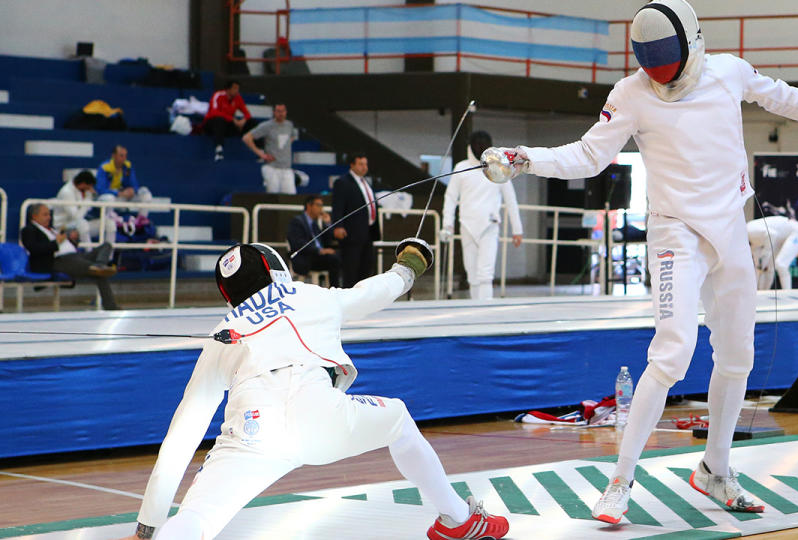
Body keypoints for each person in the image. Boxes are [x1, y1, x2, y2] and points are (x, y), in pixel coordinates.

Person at [481, 0, 798, 522]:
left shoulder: (728, 71)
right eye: (649, 70)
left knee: (737, 355)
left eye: (665, 69)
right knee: (672, 352)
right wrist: (525, 159)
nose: (658, 80)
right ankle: (619, 481)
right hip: (675, 233)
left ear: (692, 45)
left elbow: (780, 96)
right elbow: (589, 154)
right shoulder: (629, 94)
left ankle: (715, 470)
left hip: (729, 230)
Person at [118, 242, 508, 540]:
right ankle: (457, 520)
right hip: (319, 418)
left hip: (250, 435)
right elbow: (374, 292)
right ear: (276, 270)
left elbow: (184, 430)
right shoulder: (308, 294)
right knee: (398, 417)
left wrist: (147, 526)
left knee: (195, 520)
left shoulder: (224, 331)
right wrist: (409, 265)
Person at [441, 131, 523, 300]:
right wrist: (447, 224)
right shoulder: (461, 168)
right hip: (466, 225)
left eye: (483, 145)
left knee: (485, 274)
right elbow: (450, 197)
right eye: (477, 145)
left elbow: (511, 200)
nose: (480, 148)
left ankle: (485, 310)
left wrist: (517, 230)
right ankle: (474, 310)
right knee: (472, 274)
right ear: (471, 147)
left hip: (489, 225)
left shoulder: (500, 167)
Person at [20, 203, 120, 310]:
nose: (49, 217)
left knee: (106, 246)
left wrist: (72, 240)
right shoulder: (28, 230)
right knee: (99, 273)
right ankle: (111, 306)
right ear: (34, 216)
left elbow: (66, 246)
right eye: (45, 215)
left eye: (49, 214)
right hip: (58, 261)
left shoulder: (52, 230)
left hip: (76, 257)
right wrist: (56, 243)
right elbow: (34, 249)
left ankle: (99, 265)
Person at [331, 152, 380, 288]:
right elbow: (338, 205)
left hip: (367, 232)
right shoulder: (343, 182)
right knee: (351, 270)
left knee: (366, 268)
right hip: (351, 232)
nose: (364, 167)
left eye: (365, 164)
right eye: (360, 164)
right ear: (352, 165)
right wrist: (338, 225)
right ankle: (349, 299)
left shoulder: (365, 182)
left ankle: (363, 298)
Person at [242, 103, 300, 194]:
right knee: (273, 195)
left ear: (286, 112)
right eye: (278, 111)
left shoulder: (289, 125)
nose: (280, 114)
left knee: (291, 196)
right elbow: (247, 138)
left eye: (282, 111)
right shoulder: (267, 126)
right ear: (274, 112)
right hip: (272, 167)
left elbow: (292, 137)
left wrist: (283, 148)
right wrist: (261, 154)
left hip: (286, 168)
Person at [287, 194, 340, 286]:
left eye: (322, 206)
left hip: (317, 257)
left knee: (338, 256)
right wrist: (319, 250)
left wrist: (327, 223)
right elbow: (298, 243)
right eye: (318, 205)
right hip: (305, 258)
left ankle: (334, 287)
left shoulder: (316, 224)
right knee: (333, 260)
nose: (321, 209)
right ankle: (334, 289)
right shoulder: (297, 221)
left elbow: (327, 241)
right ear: (309, 206)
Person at [747, 215, 798, 290]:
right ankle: (764, 293)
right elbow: (759, 268)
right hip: (779, 238)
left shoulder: (749, 230)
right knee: (769, 268)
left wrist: (766, 253)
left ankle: (787, 294)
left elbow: (771, 234)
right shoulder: (752, 245)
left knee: (780, 264)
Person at [55, 170, 117, 245]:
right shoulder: (66, 192)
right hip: (64, 226)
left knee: (110, 223)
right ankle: (89, 253)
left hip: (81, 225)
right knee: (83, 224)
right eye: (88, 187)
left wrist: (91, 197)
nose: (89, 189)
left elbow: (86, 212)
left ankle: (108, 256)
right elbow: (76, 217)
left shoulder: (85, 191)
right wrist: (87, 201)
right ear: (83, 184)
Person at [96, 145, 153, 222]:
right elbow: (100, 189)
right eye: (121, 155)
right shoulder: (104, 167)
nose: (124, 158)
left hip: (124, 195)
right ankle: (109, 221)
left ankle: (141, 221)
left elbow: (134, 184)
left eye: (125, 155)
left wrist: (133, 190)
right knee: (108, 198)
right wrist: (118, 193)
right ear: (114, 156)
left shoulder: (128, 166)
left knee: (145, 193)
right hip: (111, 197)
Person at [203, 80, 252, 161]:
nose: (237, 91)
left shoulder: (238, 98)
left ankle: (259, 150)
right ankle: (219, 149)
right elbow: (214, 112)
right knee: (219, 120)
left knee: (251, 122)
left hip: (227, 125)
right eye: (235, 88)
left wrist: (244, 120)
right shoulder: (218, 95)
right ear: (228, 89)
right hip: (211, 124)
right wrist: (232, 118)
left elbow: (247, 113)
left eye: (238, 89)